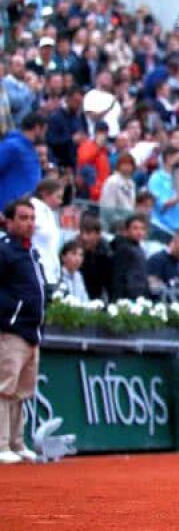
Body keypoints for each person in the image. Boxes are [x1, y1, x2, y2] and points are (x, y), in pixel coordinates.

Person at [0, 198, 45, 463]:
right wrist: (8, 316)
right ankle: (1, 444)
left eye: (32, 218)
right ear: (9, 221)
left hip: (32, 332)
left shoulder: (32, 252)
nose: (29, 223)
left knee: (21, 392)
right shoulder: (4, 251)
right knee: (4, 388)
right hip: (11, 331)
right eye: (23, 218)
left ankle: (17, 443)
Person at [0, 113, 46, 210]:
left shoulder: (31, 148)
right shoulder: (11, 146)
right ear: (37, 128)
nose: (45, 134)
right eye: (44, 130)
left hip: (26, 210)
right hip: (9, 211)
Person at [30, 178, 64, 288]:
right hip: (37, 270)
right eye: (58, 197)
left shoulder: (50, 214)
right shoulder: (33, 209)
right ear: (45, 194)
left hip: (51, 273)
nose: (60, 202)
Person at [109, 214, 151, 302]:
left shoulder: (139, 249)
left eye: (142, 228)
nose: (139, 232)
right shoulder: (123, 249)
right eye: (135, 228)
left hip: (140, 297)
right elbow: (118, 277)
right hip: (127, 299)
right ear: (127, 230)